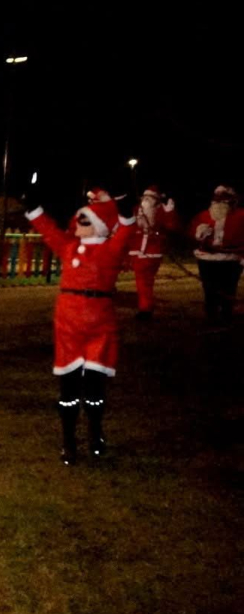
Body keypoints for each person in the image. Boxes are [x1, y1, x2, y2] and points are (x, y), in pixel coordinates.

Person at [24, 188, 136, 464]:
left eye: (84, 221)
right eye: (78, 219)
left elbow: (125, 232)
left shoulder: (110, 249)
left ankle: (96, 433)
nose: (76, 223)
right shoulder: (68, 247)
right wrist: (34, 208)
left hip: (100, 326)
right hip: (69, 327)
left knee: (95, 389)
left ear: (97, 226)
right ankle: (69, 441)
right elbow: (48, 230)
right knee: (69, 388)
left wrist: (125, 213)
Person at [189, 185, 244, 324]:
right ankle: (211, 314)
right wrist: (198, 234)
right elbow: (189, 233)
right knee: (209, 289)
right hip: (206, 258)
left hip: (231, 259)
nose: (219, 202)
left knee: (229, 288)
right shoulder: (203, 215)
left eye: (224, 199)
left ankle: (226, 314)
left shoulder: (241, 216)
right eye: (217, 199)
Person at [128, 186, 180, 319]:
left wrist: (170, 212)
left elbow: (172, 227)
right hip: (137, 250)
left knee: (144, 281)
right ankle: (145, 307)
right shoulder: (137, 209)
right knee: (143, 281)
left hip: (152, 250)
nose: (146, 201)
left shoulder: (162, 210)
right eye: (145, 198)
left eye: (149, 198)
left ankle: (145, 308)